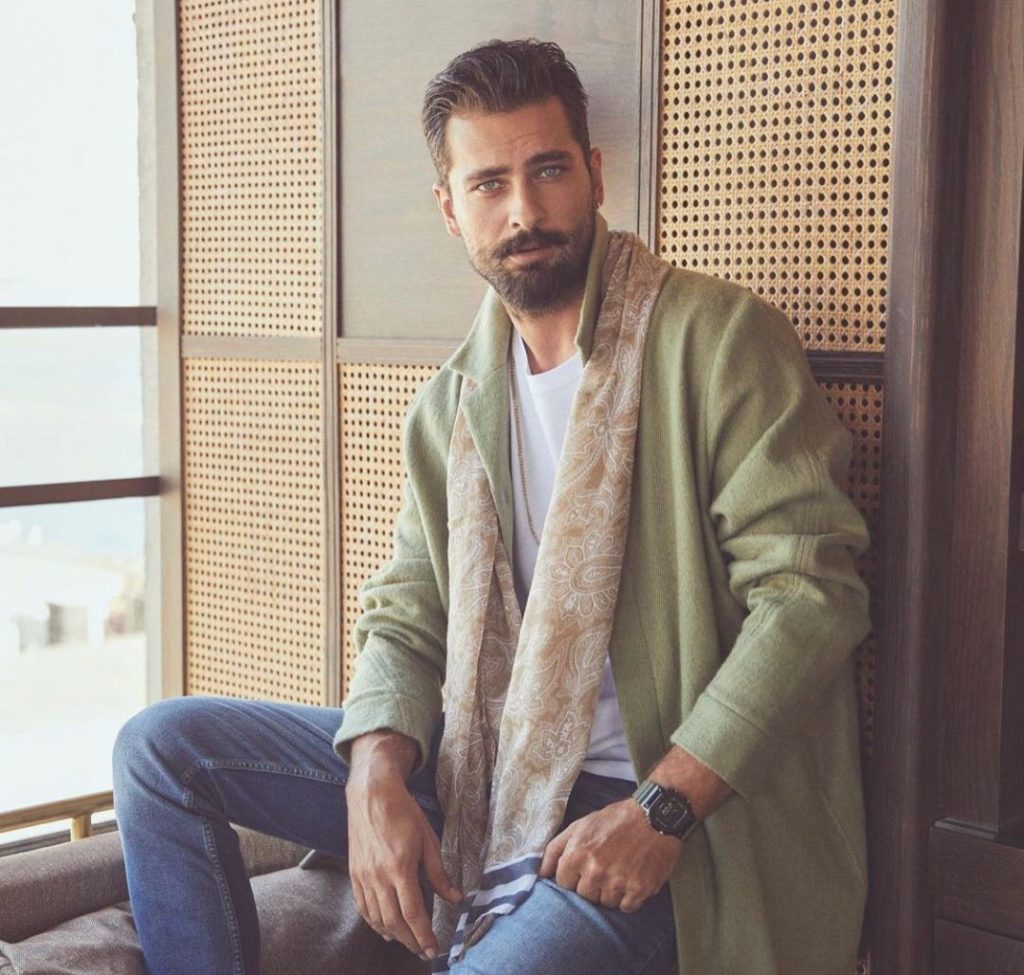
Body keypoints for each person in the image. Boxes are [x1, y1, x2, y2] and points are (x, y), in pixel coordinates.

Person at [113, 38, 871, 975]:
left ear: (594, 175)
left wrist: (662, 807)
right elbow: (406, 610)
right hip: (491, 774)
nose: (523, 211)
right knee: (159, 749)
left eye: (548, 170)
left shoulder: (715, 341)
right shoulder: (454, 405)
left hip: (660, 812)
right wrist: (374, 771)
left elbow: (808, 596)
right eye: (489, 184)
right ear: (450, 208)